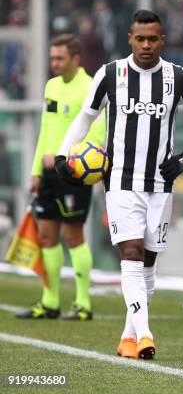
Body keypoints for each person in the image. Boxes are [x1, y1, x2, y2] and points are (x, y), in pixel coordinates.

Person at [54, 10, 183, 359]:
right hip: (120, 181)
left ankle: (129, 337)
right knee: (130, 253)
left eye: (152, 38)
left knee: (149, 264)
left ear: (162, 41)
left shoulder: (177, 76)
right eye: (140, 38)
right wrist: (62, 155)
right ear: (129, 38)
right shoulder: (111, 74)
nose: (146, 45)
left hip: (160, 181)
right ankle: (145, 335)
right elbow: (86, 116)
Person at [16, 34, 106, 321]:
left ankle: (83, 303)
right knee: (46, 235)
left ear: (75, 59)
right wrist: (35, 170)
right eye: (52, 58)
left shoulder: (90, 87)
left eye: (59, 58)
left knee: (74, 235)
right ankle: (50, 301)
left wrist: (69, 158)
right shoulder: (51, 86)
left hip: (72, 172)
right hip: (47, 173)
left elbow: (96, 132)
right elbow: (46, 128)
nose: (54, 63)